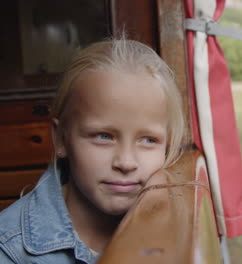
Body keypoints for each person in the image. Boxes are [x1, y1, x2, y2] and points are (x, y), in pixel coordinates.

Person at [0, 38, 185, 263]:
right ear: (60, 139)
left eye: (148, 140)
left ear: (167, 144)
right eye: (103, 136)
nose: (126, 162)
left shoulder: (184, 225)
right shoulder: (9, 251)